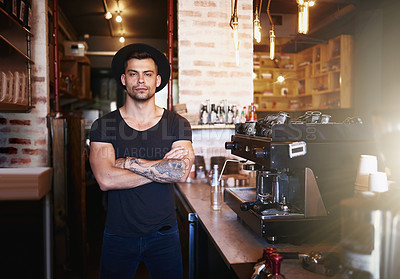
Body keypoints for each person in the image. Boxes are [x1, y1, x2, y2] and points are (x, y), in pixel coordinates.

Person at [89, 43, 194, 279]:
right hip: (118, 233)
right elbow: (105, 179)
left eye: (147, 74)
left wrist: (127, 162)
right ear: (123, 79)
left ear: (157, 80)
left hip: (164, 234)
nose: (140, 80)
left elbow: (180, 173)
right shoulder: (104, 126)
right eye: (133, 74)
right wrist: (161, 167)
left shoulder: (177, 124)